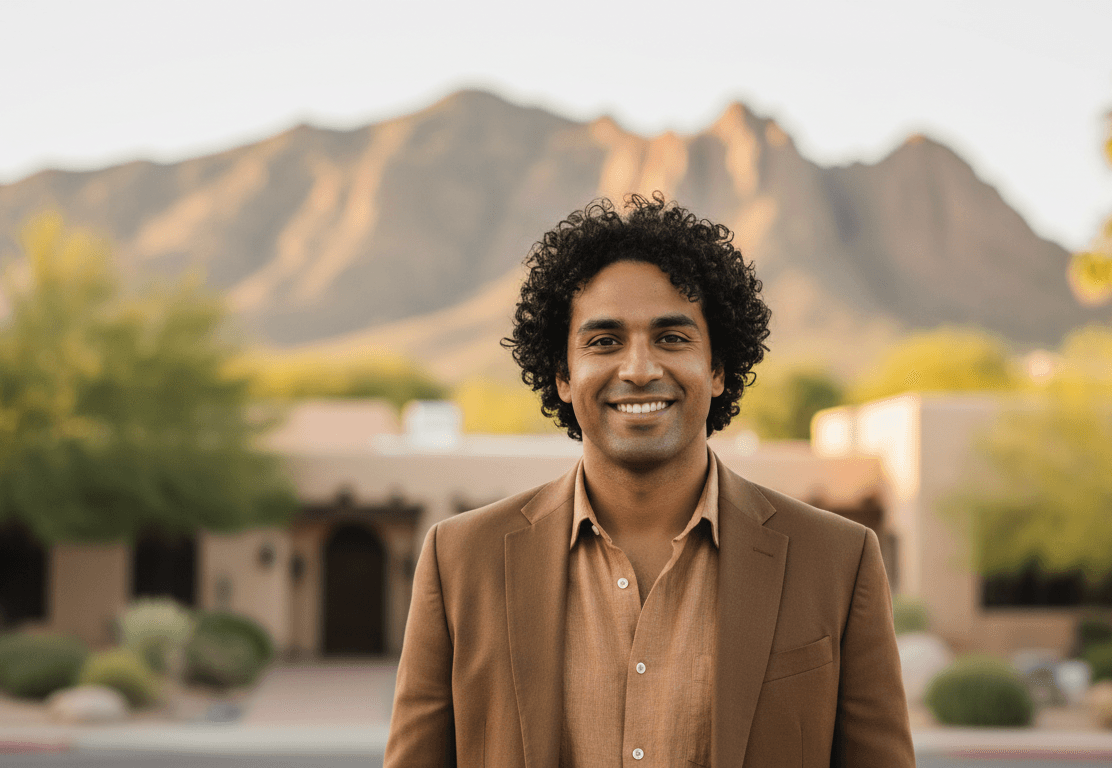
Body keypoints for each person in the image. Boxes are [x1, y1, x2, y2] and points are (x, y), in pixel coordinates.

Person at [384, 194, 914, 767]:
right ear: (562, 374)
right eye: (604, 341)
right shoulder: (461, 560)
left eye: (672, 338)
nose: (638, 369)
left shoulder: (837, 560)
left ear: (717, 369)